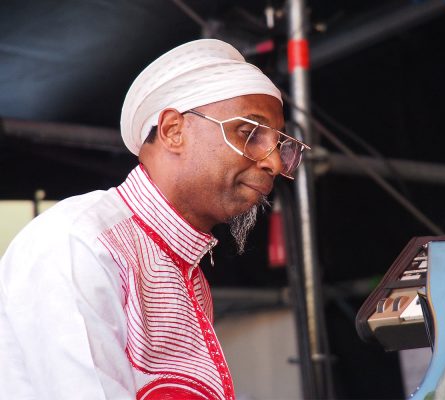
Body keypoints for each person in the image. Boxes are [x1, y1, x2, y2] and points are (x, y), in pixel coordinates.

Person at [0, 39, 309, 400]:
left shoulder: (179, 267)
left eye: (280, 145)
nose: (272, 162)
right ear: (173, 131)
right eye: (250, 134)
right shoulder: (81, 241)